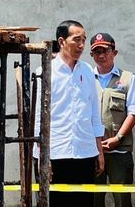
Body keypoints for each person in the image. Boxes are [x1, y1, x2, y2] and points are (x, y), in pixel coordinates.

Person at [33, 20, 105, 206]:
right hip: (56, 154)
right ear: (62, 41)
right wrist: (43, 157)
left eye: (83, 40)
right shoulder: (45, 72)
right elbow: (38, 118)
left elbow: (94, 114)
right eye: (76, 40)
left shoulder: (88, 71)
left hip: (84, 153)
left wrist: (99, 150)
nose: (81, 46)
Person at [90, 33, 135, 207]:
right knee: (94, 200)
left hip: (119, 151)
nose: (101, 56)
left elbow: (134, 112)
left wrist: (117, 138)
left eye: (105, 50)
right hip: (92, 151)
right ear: (91, 55)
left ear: (115, 52)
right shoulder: (86, 78)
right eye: (97, 52)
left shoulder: (127, 79)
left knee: (122, 200)